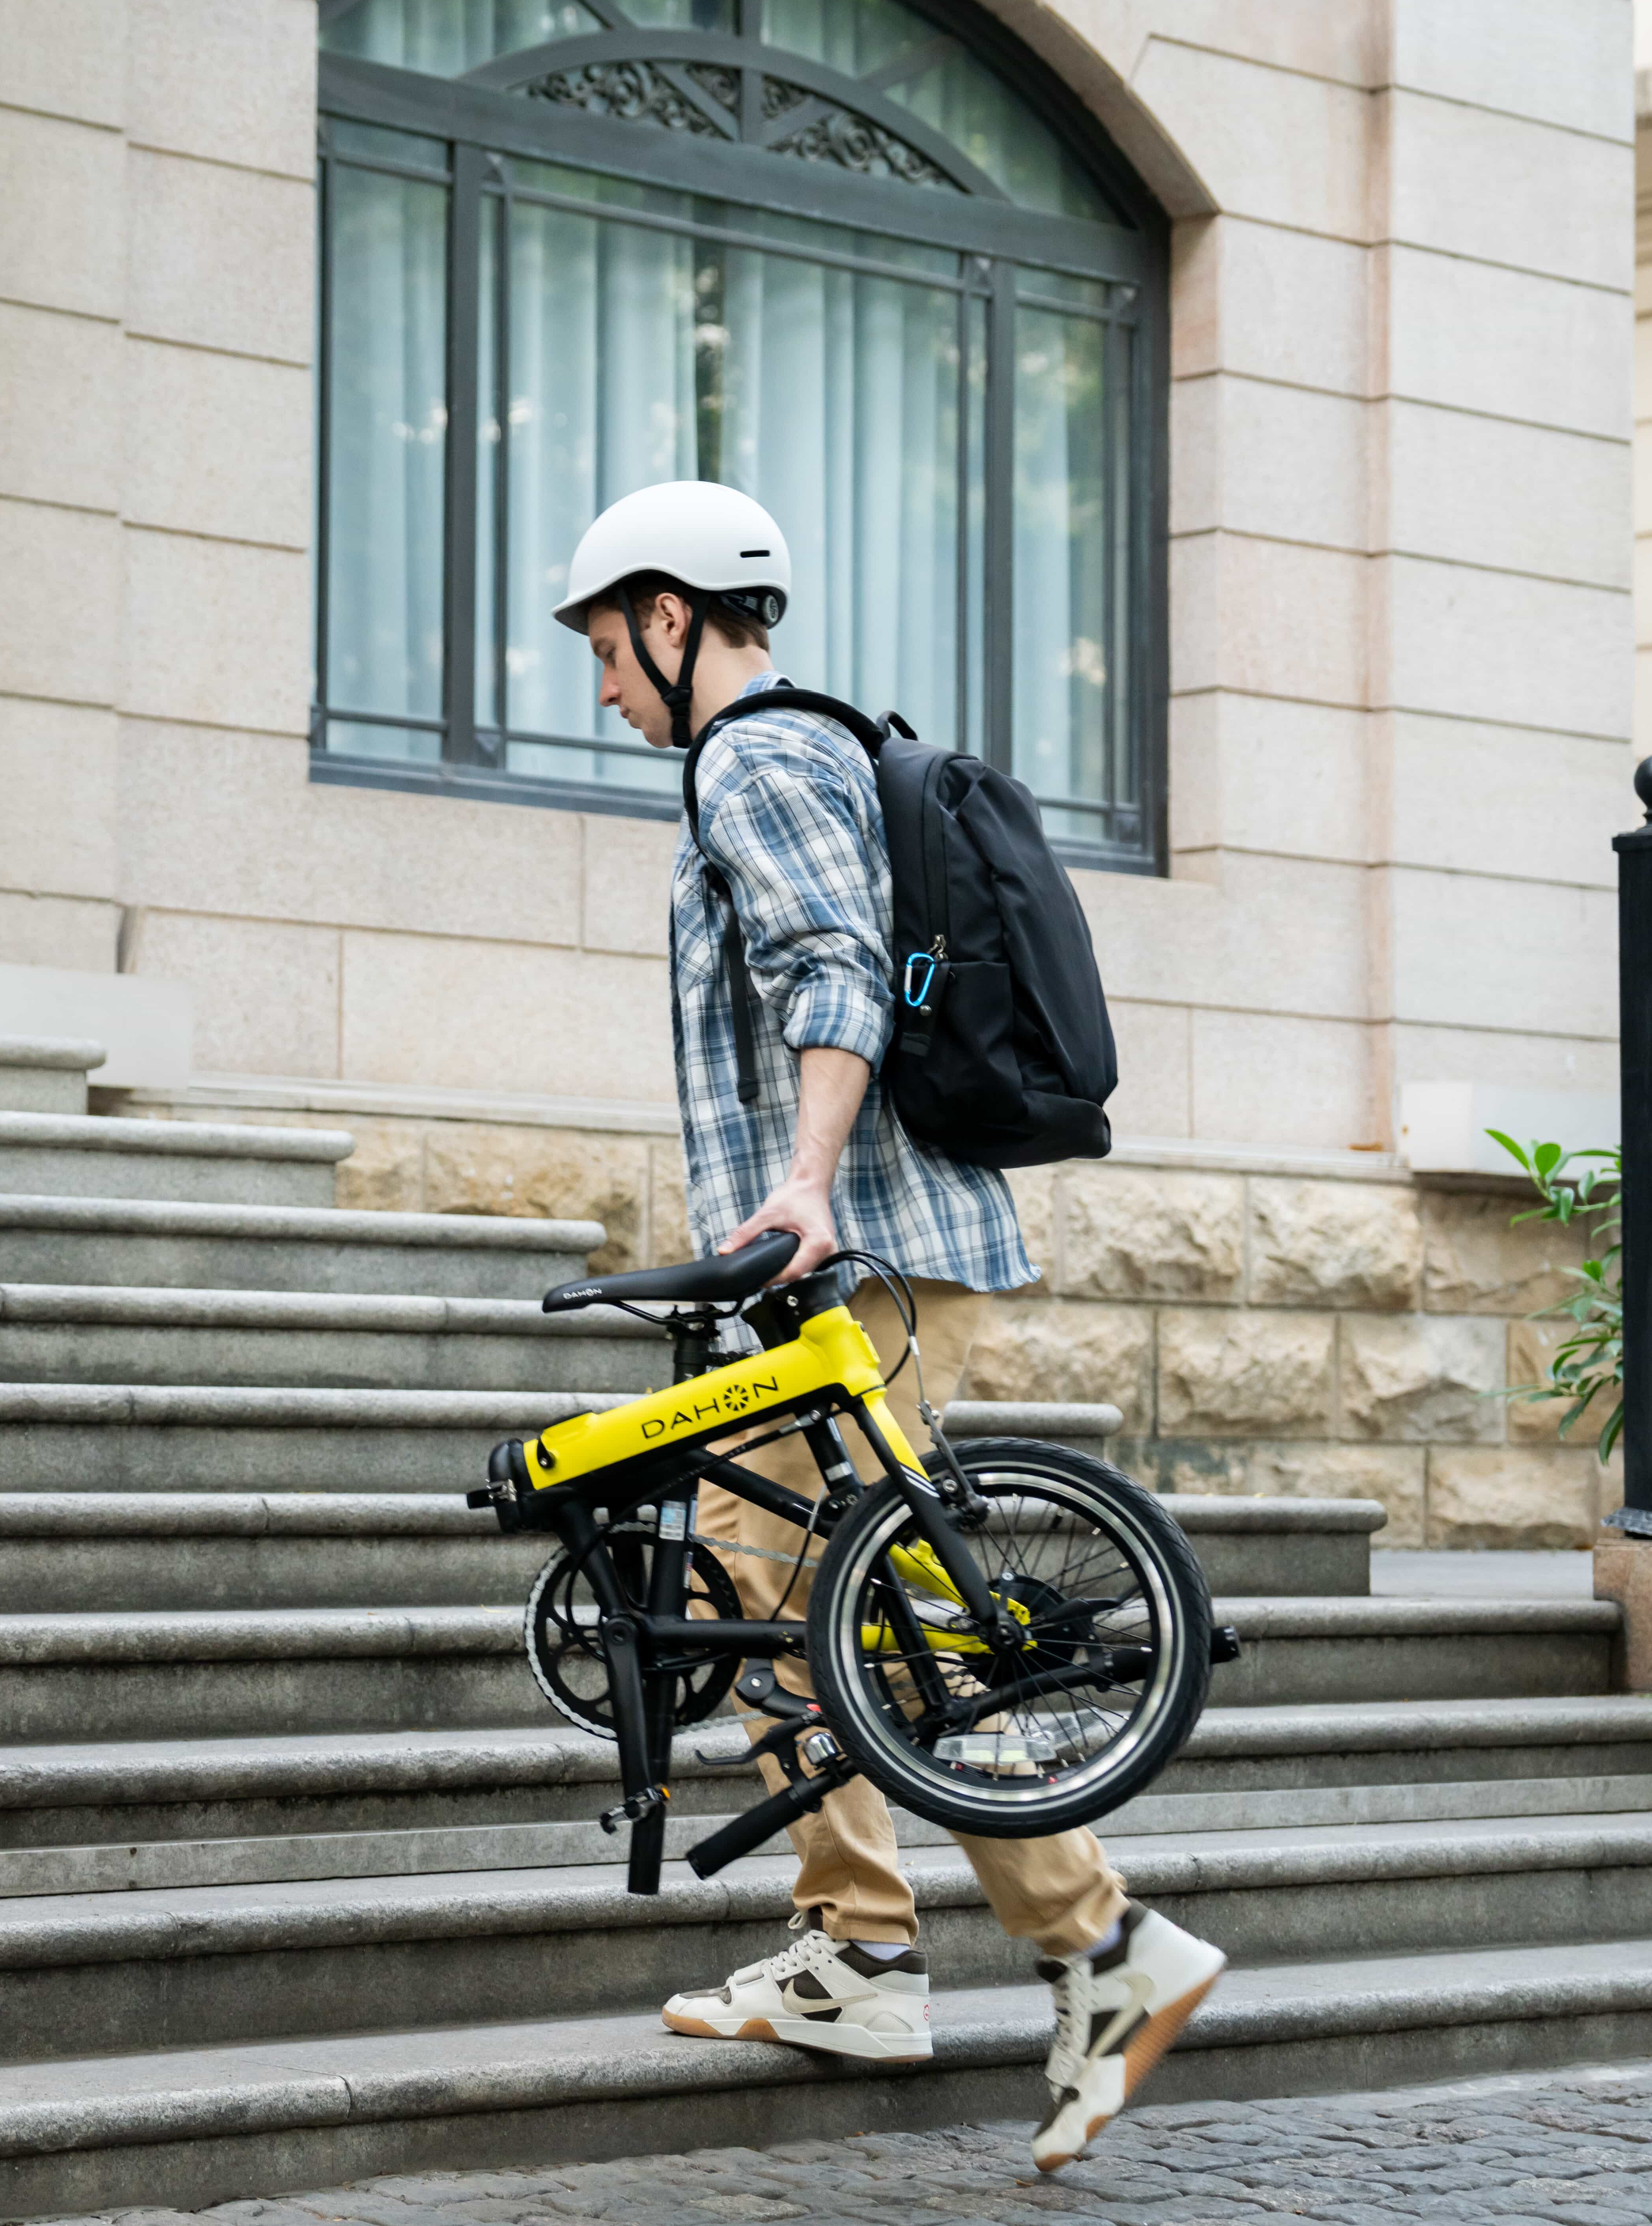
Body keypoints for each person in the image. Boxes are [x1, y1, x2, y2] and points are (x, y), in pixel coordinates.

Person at [551, 480, 1226, 2172]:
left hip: (840, 1247)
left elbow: (831, 969)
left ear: (671, 613)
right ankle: (858, 1948)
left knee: (897, 1609)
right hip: (829, 1250)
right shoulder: (800, 749)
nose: (601, 689)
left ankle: (1103, 1943)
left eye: (605, 649)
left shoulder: (752, 756)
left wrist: (801, 1187)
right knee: (761, 1564)